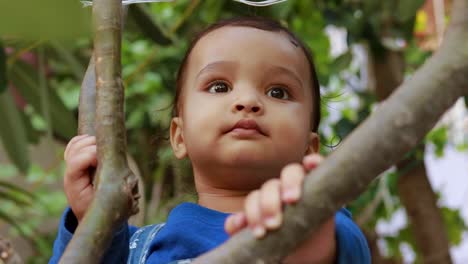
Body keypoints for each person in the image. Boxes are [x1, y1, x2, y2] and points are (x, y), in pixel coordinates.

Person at [49, 17, 370, 264]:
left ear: (309, 148)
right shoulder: (133, 248)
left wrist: (307, 234)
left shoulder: (325, 227)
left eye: (278, 92)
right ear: (179, 136)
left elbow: (338, 248)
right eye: (219, 86)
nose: (247, 101)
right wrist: (91, 219)